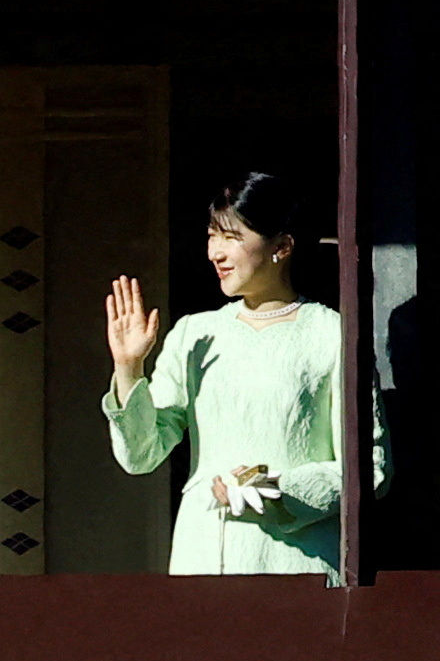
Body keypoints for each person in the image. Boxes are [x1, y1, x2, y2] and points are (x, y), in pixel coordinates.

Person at [102, 170, 381, 580]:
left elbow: (370, 467)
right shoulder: (194, 335)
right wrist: (128, 369)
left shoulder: (331, 334)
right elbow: (141, 456)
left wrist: (275, 489)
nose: (215, 252)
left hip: (296, 560)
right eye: (212, 236)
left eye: (232, 238)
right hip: (204, 556)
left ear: (281, 246)